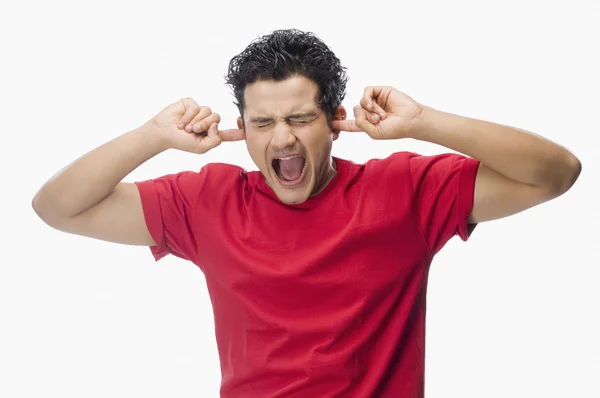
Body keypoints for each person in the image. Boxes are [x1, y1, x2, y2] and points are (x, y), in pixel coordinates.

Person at [32, 29, 581, 397]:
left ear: (335, 120)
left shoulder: (405, 191)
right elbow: (58, 208)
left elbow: (556, 173)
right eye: (264, 123)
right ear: (242, 129)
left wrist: (424, 121)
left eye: (299, 118)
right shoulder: (207, 200)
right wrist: (152, 136)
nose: (284, 138)